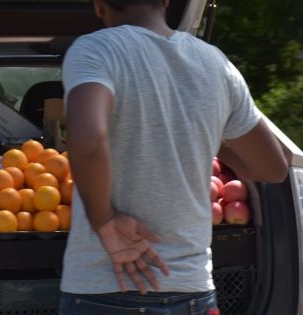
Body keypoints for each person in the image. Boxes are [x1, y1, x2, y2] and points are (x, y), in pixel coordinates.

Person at [60, 0, 291, 314]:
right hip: (194, 291)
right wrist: (207, 135)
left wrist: (104, 221)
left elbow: (88, 140)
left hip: (106, 287)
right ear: (166, 1)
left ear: (99, 5)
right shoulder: (215, 63)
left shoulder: (96, 50)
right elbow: (274, 168)